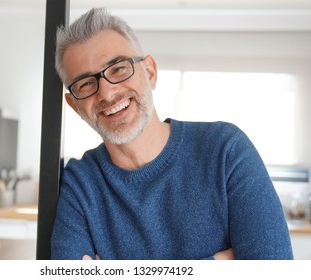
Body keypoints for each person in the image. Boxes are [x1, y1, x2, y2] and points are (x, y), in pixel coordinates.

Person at [50, 7, 293, 260]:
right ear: (74, 105)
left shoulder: (226, 150)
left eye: (119, 69)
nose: (107, 93)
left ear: (150, 72)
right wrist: (218, 264)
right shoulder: (79, 183)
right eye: (86, 84)